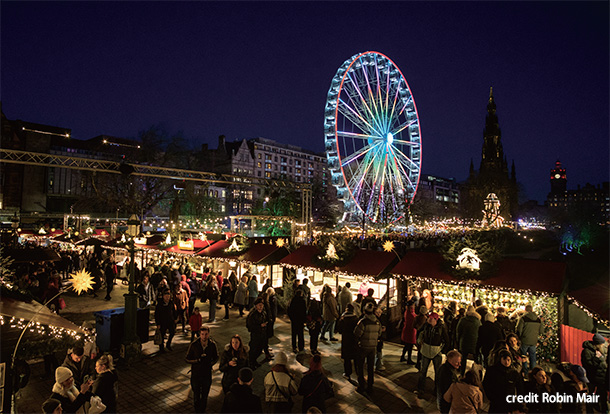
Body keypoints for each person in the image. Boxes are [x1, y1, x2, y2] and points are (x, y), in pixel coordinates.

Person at [185, 326, 219, 413]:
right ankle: (197, 411)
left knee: (204, 395)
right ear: (199, 334)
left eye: (206, 334)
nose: (204, 336)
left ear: (209, 334)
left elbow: (216, 357)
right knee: (196, 395)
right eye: (202, 334)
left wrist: (210, 363)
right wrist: (197, 361)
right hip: (196, 374)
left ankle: (202, 410)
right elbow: (187, 359)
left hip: (207, 374)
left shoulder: (212, 345)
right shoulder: (194, 345)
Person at [353, 302, 382, 396]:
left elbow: (357, 333)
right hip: (373, 347)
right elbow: (380, 333)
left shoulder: (363, 322)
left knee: (360, 367)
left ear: (365, 311)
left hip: (363, 347)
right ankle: (370, 385)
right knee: (370, 367)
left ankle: (362, 385)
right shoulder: (377, 322)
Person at [417, 312, 449, 395]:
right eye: (429, 318)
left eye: (431, 319)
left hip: (436, 353)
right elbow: (418, 332)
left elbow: (447, 340)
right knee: (423, 371)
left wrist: (442, 351)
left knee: (437, 372)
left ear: (436, 319)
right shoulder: (426, 325)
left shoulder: (441, 328)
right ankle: (421, 388)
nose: (429, 320)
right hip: (425, 351)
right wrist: (419, 341)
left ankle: (436, 390)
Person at [482, 349, 524, 414]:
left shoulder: (514, 373)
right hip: (496, 402)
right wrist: (491, 397)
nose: (506, 362)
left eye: (508, 360)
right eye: (504, 359)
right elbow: (486, 384)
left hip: (509, 403)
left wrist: (518, 402)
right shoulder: (492, 371)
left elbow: (520, 388)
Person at [581, 333, 608, 413]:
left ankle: (604, 410)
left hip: (601, 379)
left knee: (603, 396)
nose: (603, 346)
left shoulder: (600, 350)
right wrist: (597, 358)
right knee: (591, 397)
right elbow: (589, 366)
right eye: (602, 344)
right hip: (592, 379)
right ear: (598, 344)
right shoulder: (586, 352)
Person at [515, 304, 544, 372]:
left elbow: (519, 330)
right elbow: (541, 331)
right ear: (532, 310)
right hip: (534, 341)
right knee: (533, 357)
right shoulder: (538, 319)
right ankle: (533, 372)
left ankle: (525, 372)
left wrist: (519, 337)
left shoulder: (523, 318)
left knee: (523, 356)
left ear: (525, 310)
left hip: (524, 340)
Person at [455, 305, 481, 376]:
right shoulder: (478, 321)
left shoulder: (463, 320)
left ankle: (462, 373)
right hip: (474, 343)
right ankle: (477, 374)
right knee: (476, 359)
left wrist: (458, 341)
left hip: (464, 342)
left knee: (463, 358)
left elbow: (458, 331)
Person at [337, 303, 359, 380]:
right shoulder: (356, 319)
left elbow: (339, 330)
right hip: (354, 339)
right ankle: (358, 372)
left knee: (347, 358)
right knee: (356, 356)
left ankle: (347, 373)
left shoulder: (343, 319)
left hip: (346, 340)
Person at [246, 298, 268, 369]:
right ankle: (251, 363)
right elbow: (250, 326)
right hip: (255, 334)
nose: (261, 306)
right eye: (259, 305)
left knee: (259, 349)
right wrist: (259, 326)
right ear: (256, 306)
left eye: (262, 305)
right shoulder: (253, 315)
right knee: (254, 349)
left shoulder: (263, 313)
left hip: (262, 334)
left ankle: (254, 361)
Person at [287, 289, 307, 353]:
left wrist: (291, 318)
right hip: (300, 320)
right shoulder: (302, 301)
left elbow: (289, 310)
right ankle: (301, 347)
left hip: (294, 320)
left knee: (294, 334)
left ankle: (294, 347)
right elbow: (304, 311)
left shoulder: (293, 300)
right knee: (300, 334)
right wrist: (304, 320)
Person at [400, 300, 417, 364]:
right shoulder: (411, 314)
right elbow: (413, 321)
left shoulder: (407, 312)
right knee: (410, 346)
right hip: (410, 331)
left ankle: (402, 357)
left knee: (407, 345)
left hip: (407, 330)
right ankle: (409, 359)